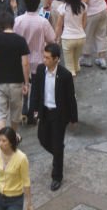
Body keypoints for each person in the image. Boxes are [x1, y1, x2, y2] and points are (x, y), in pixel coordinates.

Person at [34, 42, 78, 192]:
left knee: (57, 144)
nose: (44, 60)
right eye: (44, 56)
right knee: (42, 138)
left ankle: (57, 176)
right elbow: (36, 91)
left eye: (47, 57)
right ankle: (58, 155)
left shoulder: (65, 75)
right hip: (45, 111)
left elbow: (71, 97)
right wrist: (34, 110)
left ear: (56, 59)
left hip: (60, 115)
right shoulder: (41, 70)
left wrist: (73, 118)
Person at [0, 127, 32, 210]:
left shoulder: (21, 158)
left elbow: (26, 181)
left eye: (4, 141)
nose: (0, 143)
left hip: (15, 199)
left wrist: (29, 202)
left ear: (11, 142)